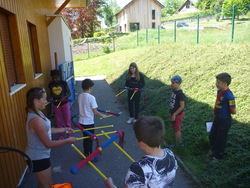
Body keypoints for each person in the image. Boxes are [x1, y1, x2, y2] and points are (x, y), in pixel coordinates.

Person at [104, 116, 178, 188]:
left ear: (142, 145)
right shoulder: (170, 153)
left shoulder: (139, 168)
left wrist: (111, 185)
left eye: (136, 138)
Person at [25, 87, 77, 188]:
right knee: (46, 185)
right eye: (44, 99)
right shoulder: (36, 120)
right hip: (37, 158)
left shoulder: (38, 112)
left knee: (44, 184)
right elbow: (48, 144)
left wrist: (64, 129)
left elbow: (48, 130)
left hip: (41, 156)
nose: (46, 101)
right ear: (36, 101)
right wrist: (67, 140)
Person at [208, 72, 236, 163]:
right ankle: (213, 150)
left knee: (221, 138)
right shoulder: (219, 91)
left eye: (218, 82)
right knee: (212, 135)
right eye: (216, 81)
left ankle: (218, 156)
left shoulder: (229, 96)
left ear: (225, 84)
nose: (216, 84)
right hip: (217, 118)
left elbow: (233, 111)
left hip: (224, 120)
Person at [78, 79, 107, 161]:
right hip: (89, 122)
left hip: (81, 121)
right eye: (92, 88)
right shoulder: (91, 97)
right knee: (90, 139)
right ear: (90, 87)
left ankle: (86, 154)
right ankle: (90, 157)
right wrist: (103, 115)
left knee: (85, 138)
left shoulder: (80, 96)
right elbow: (95, 111)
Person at [48, 69, 72, 140]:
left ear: (59, 76)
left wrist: (63, 98)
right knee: (58, 120)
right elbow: (51, 93)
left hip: (64, 104)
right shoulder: (50, 84)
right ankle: (61, 135)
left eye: (56, 78)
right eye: (53, 78)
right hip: (56, 104)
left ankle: (69, 134)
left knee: (67, 119)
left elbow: (69, 93)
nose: (55, 80)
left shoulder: (63, 83)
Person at [169, 75, 185, 146]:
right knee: (175, 128)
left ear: (178, 83)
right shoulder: (174, 91)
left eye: (173, 83)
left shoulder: (180, 93)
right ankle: (176, 142)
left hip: (177, 115)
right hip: (173, 114)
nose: (171, 84)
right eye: (171, 82)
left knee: (177, 129)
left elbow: (182, 106)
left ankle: (179, 144)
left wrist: (175, 114)